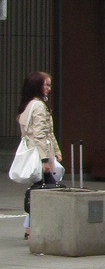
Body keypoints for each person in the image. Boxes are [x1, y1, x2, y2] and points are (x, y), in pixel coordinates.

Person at [17, 71, 63, 240]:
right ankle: (35, 230)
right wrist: (45, 159)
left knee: (41, 189)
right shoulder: (38, 106)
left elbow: (45, 133)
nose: (49, 88)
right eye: (46, 85)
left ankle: (29, 229)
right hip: (40, 155)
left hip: (37, 153)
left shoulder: (29, 104)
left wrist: (56, 151)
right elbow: (41, 134)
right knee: (48, 190)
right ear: (37, 86)